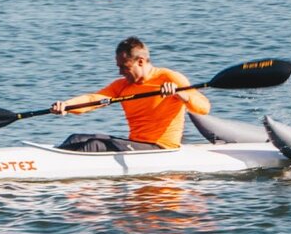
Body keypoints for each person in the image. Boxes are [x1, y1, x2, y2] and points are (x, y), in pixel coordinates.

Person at [51, 37, 210, 152]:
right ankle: (52, 160)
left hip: (161, 147)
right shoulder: (122, 85)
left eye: (124, 67)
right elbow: (94, 99)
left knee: (94, 145)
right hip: (137, 143)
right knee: (76, 138)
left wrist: (182, 95)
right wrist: (67, 106)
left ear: (140, 61)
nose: (120, 72)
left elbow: (204, 108)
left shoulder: (170, 78)